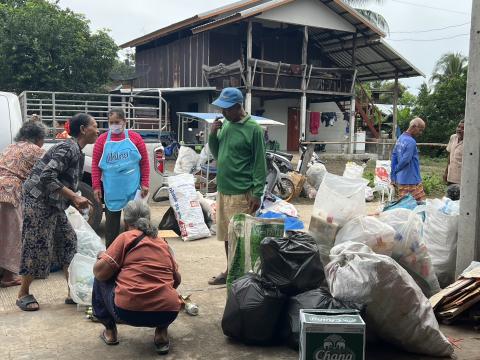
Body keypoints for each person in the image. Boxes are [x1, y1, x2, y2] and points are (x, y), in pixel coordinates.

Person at [16, 113, 99, 311]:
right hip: (38, 201)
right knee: (36, 244)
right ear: (83, 130)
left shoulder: (76, 151)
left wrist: (75, 199)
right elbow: (46, 177)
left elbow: (65, 181)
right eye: (95, 126)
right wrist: (73, 197)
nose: (98, 130)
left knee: (68, 242)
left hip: (53, 204)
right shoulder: (67, 148)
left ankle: (73, 291)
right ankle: (23, 293)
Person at [92, 200, 181, 355]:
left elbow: (100, 273)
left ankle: (110, 332)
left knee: (100, 277)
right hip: (168, 312)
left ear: (126, 222)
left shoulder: (125, 238)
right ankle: (161, 333)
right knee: (167, 288)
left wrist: (102, 258)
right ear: (148, 219)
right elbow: (176, 280)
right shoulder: (163, 243)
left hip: (127, 312)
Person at [207, 88, 267, 285]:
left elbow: (260, 163)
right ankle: (230, 271)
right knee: (225, 234)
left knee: (240, 238)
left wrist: (257, 193)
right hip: (224, 190)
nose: (223, 113)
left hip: (242, 192)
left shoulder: (254, 129)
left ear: (238, 106)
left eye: (226, 109)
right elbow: (218, 154)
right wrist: (212, 135)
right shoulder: (226, 126)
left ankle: (242, 276)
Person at [92, 108, 150, 248]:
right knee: (111, 227)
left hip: (133, 188)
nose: (114, 125)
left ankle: (137, 252)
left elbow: (144, 162)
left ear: (124, 121)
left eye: (117, 122)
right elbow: (95, 165)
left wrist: (145, 183)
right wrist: (96, 187)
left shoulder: (135, 138)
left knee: (136, 225)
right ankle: (111, 255)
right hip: (112, 190)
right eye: (111, 122)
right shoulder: (102, 140)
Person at [0, 121, 45, 287]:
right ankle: (8, 277)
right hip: (9, 193)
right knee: (12, 234)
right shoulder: (35, 150)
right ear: (38, 138)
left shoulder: (10, 147)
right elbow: (48, 175)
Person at [391, 117, 426, 202]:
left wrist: (393, 173)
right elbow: (406, 160)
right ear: (414, 126)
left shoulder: (400, 138)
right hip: (411, 179)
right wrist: (396, 169)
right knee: (418, 204)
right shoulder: (411, 141)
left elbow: (394, 156)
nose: (420, 133)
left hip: (401, 178)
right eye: (420, 130)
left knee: (403, 203)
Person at [444, 120, 464, 185]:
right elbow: (450, 155)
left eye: (463, 128)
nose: (459, 129)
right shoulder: (453, 137)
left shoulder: (469, 141)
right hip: (451, 176)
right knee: (450, 194)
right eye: (458, 127)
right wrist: (446, 172)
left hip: (462, 178)